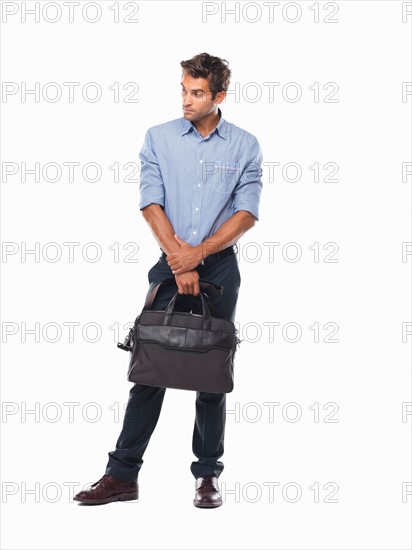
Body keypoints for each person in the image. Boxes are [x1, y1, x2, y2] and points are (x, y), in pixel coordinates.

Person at [74, 52, 263, 508]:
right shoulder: (158, 137)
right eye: (183, 88)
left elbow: (247, 211)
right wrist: (181, 258)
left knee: (211, 374)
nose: (187, 99)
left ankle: (207, 477)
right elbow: (149, 201)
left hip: (219, 267)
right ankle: (121, 476)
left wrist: (200, 254)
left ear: (219, 95)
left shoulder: (245, 145)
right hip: (170, 264)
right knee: (150, 369)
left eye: (197, 92)